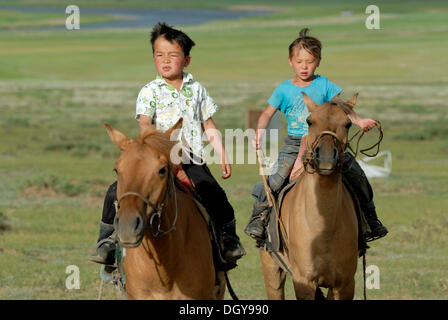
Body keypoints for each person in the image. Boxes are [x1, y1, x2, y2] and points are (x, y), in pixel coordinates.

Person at [90, 22, 245, 268]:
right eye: (159, 55)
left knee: (215, 194)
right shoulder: (150, 90)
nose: (165, 60)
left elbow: (209, 125)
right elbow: (144, 123)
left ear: (187, 60)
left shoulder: (197, 90)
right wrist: (152, 149)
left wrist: (222, 155)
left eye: (173, 55)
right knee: (114, 191)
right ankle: (107, 241)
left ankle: (226, 241)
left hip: (191, 157)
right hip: (155, 158)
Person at [244, 28, 388, 243]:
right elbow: (266, 114)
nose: (304, 66)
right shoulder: (283, 89)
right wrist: (259, 133)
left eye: (310, 61)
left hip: (327, 142)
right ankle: (259, 219)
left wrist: (360, 121)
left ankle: (371, 220)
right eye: (299, 61)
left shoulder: (325, 85)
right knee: (274, 181)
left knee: (358, 177)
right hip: (294, 144)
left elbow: (343, 108)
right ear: (290, 61)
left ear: (318, 61)